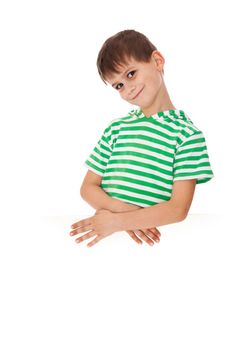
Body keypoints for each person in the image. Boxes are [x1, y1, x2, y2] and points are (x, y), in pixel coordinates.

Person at [69, 29, 214, 248]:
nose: (128, 89)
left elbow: (178, 209)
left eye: (130, 74)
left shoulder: (187, 135)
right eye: (119, 86)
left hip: (160, 245)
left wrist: (117, 222)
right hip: (105, 236)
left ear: (157, 61)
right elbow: (88, 187)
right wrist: (123, 217)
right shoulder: (116, 129)